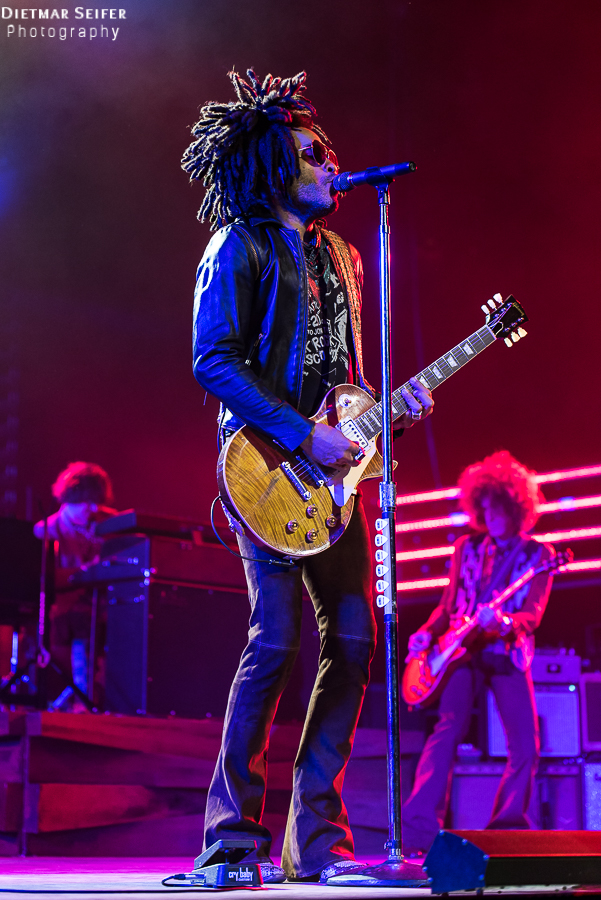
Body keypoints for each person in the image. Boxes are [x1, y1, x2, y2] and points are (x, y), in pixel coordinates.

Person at [182, 69, 434, 883]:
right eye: (312, 153)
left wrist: (386, 415)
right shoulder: (240, 244)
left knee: (355, 641)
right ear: (272, 166)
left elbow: (344, 378)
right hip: (265, 469)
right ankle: (231, 837)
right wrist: (299, 434)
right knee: (275, 640)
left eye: (329, 151)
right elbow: (213, 359)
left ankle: (317, 840)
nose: (332, 163)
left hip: (335, 480)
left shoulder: (344, 257)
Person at [402, 450, 555, 856]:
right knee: (446, 730)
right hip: (461, 652)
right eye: (484, 508)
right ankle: (418, 831)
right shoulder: (466, 548)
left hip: (507, 652)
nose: (490, 516)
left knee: (524, 743)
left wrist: (502, 622)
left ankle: (508, 829)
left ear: (515, 507)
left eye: (497, 508)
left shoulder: (537, 555)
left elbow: (532, 615)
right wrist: (426, 633)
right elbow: (447, 605)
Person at [33, 461, 117, 703]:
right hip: (66, 612)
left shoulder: (111, 523)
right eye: (87, 502)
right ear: (69, 499)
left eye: (96, 501)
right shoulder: (46, 531)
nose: (93, 508)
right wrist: (87, 572)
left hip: (106, 609)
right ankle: (82, 698)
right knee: (82, 622)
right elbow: (46, 580)